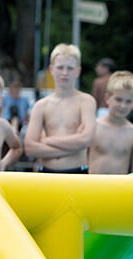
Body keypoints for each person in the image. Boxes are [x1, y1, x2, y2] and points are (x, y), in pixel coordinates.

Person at [24, 43, 96, 174]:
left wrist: (47, 141)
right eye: (60, 67)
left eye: (70, 68)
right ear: (51, 70)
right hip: (46, 173)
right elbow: (30, 147)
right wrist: (74, 147)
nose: (65, 73)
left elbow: (86, 140)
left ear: (78, 71)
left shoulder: (86, 101)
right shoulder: (41, 105)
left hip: (77, 172)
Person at [88, 70, 133, 175]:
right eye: (118, 100)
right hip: (92, 189)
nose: (123, 106)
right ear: (107, 98)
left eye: (128, 101)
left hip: (120, 190)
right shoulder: (93, 126)